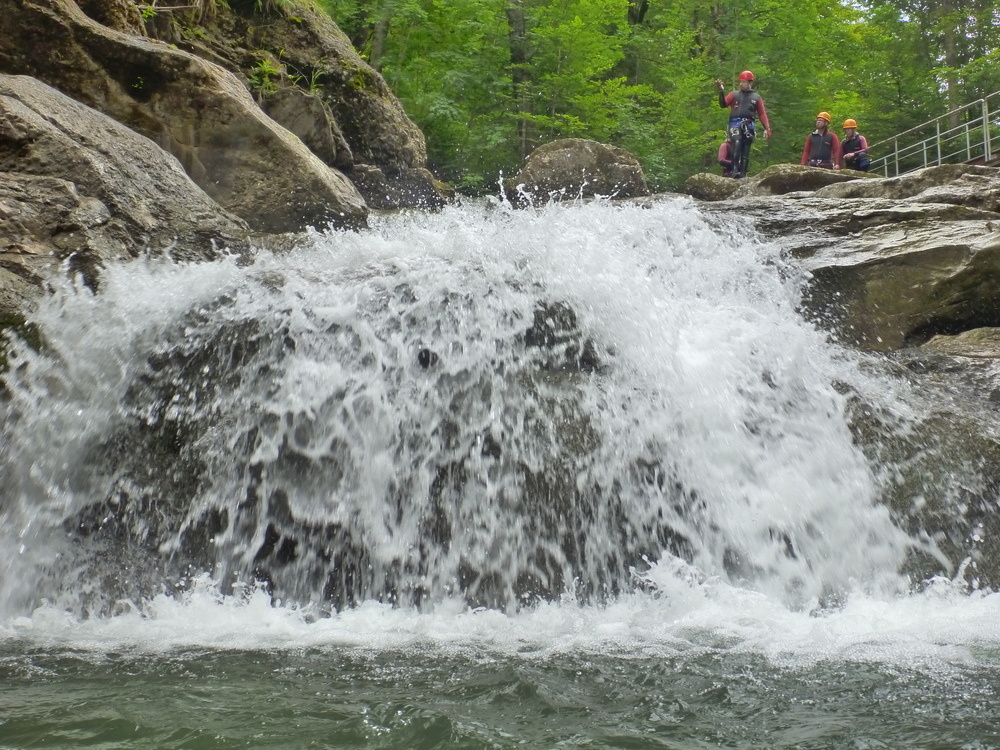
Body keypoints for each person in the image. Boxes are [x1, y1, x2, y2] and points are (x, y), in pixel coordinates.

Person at [715, 70, 772, 178]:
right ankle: (735, 170)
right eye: (740, 82)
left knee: (746, 148)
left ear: (750, 83)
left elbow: (762, 114)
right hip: (735, 123)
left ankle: (743, 174)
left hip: (748, 125)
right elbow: (723, 104)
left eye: (744, 82)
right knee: (737, 141)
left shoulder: (756, 98)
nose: (741, 84)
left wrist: (767, 128)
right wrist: (721, 91)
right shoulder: (734, 95)